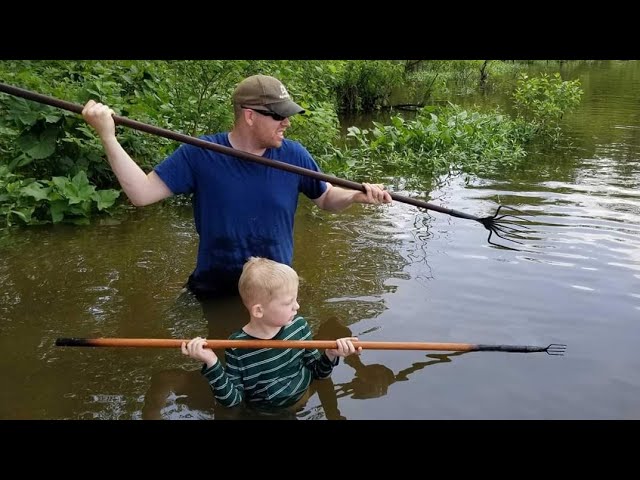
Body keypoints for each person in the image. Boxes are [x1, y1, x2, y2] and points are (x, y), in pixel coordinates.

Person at [81, 74, 392, 299]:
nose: (287, 123)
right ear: (250, 116)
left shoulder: (293, 155)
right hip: (216, 285)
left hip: (274, 291)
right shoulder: (200, 153)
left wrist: (353, 195)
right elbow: (140, 194)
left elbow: (325, 198)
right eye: (279, 116)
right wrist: (108, 136)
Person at [181, 256, 362, 410]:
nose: (297, 306)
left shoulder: (299, 327)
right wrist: (211, 362)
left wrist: (331, 354)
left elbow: (319, 374)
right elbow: (232, 401)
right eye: (288, 302)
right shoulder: (237, 347)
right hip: (264, 414)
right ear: (259, 311)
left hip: (303, 402)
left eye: (296, 299)